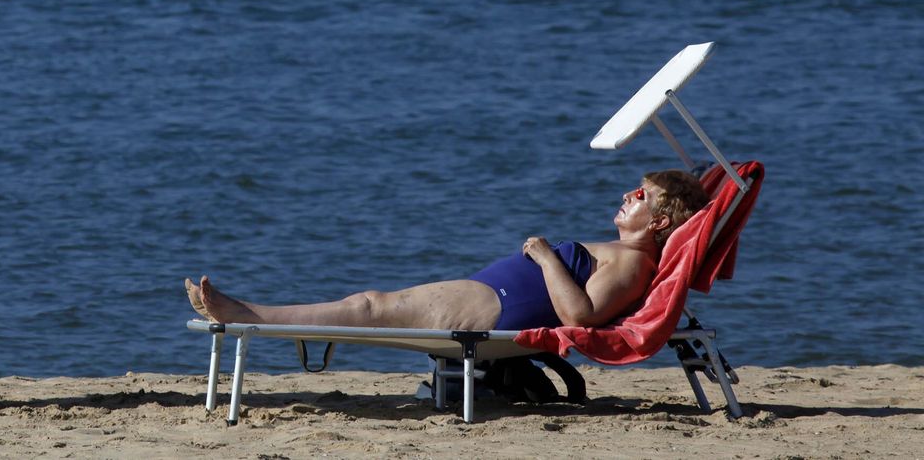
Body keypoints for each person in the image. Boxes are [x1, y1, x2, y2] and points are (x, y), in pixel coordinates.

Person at [186, 169, 710, 331]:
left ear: (660, 221)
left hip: (499, 307)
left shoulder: (633, 263)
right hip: (499, 295)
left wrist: (548, 257)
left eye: (640, 196)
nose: (627, 194)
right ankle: (247, 313)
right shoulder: (625, 254)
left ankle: (245, 315)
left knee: (369, 308)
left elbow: (582, 316)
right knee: (369, 304)